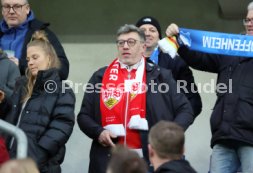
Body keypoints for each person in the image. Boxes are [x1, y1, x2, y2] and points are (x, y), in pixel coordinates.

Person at [165, 0, 253, 172]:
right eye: (247, 20)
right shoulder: (233, 46)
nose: (250, 24)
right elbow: (201, 59)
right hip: (224, 135)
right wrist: (179, 40)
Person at [77, 24, 194, 173]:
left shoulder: (161, 76)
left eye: (131, 42)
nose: (125, 46)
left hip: (149, 159)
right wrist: (98, 132)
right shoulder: (100, 76)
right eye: (121, 42)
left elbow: (185, 110)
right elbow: (84, 116)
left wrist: (168, 136)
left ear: (143, 47)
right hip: (109, 159)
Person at [0, 30, 75, 173]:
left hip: (40, 167)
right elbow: (8, 118)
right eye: (28, 60)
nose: (31, 63)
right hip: (10, 162)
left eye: (35, 57)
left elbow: (60, 129)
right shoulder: (21, 85)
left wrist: (33, 159)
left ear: (49, 57)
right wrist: (3, 101)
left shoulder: (63, 91)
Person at [136, 16, 202, 117]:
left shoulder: (175, 63)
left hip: (165, 130)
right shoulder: (124, 63)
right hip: (130, 130)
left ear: (159, 37)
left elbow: (193, 101)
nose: (147, 33)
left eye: (152, 30)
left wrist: (176, 125)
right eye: (142, 30)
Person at [0, 0, 69, 80]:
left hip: (30, 90)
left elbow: (63, 70)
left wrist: (22, 65)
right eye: (6, 6)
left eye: (17, 6)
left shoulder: (42, 33)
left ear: (27, 9)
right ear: (2, 10)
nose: (11, 11)